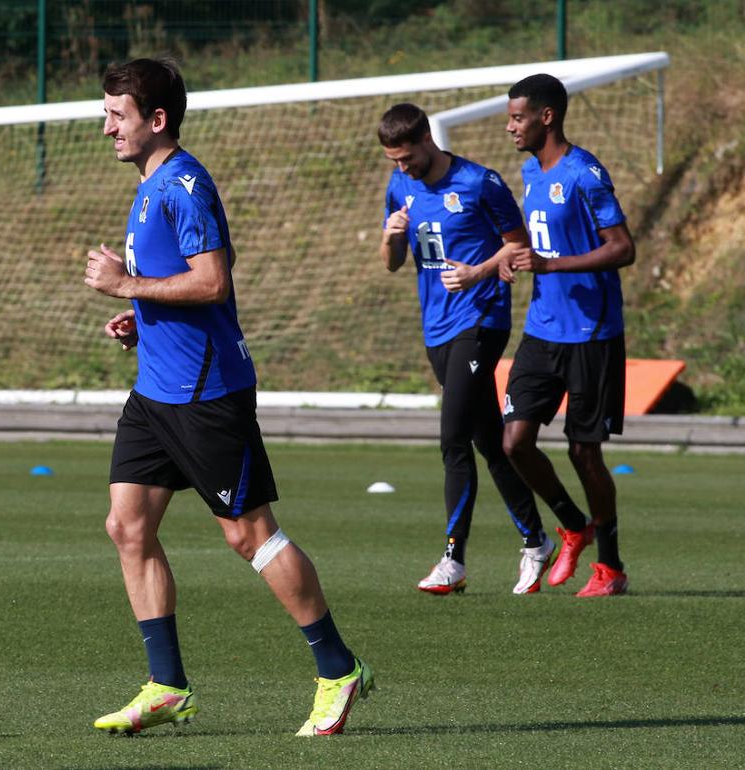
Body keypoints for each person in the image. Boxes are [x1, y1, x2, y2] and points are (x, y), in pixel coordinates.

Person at [83, 57, 373, 737]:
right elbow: (178, 284)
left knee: (249, 536)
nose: (106, 129)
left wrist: (127, 287)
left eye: (116, 116)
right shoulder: (150, 184)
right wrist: (142, 318)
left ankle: (338, 668)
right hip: (156, 391)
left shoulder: (185, 184)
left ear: (156, 120)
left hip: (206, 393)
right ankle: (167, 686)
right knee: (127, 526)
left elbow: (212, 282)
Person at [378, 103, 555, 596]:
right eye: (393, 160)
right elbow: (392, 263)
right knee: (489, 443)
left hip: (481, 320)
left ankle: (453, 559)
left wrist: (478, 272)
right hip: (436, 328)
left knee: (452, 438)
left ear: (427, 140)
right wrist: (390, 238)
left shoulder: (480, 183)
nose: (402, 167)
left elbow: (517, 246)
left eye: (407, 157)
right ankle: (536, 541)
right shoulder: (399, 187)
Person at [500, 73, 635, 597]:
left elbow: (623, 247)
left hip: (593, 332)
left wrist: (556, 265)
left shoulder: (584, 172)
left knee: (585, 452)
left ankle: (611, 567)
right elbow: (536, 243)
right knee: (515, 440)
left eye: (517, 117)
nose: (511, 126)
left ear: (546, 116)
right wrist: (512, 259)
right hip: (542, 328)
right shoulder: (530, 170)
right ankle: (571, 523)